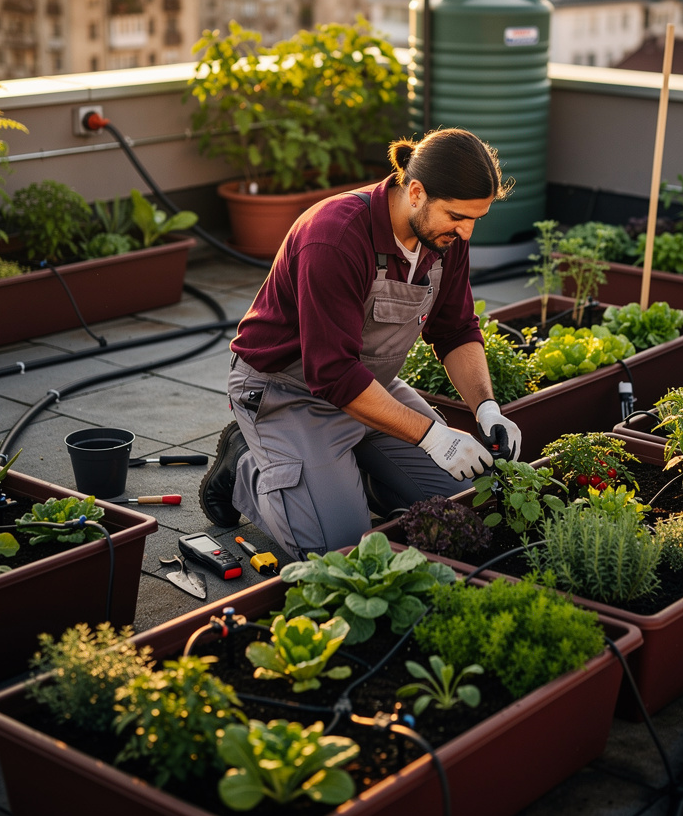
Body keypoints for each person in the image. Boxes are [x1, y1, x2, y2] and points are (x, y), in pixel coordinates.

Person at [199, 127, 523, 560]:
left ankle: (352, 474)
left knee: (471, 507)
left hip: (370, 388)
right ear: (416, 192)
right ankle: (244, 466)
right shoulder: (334, 236)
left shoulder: (444, 238)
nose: (466, 233)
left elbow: (456, 330)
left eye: (475, 219)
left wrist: (487, 408)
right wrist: (431, 436)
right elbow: (331, 374)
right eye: (457, 217)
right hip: (287, 392)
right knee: (338, 554)